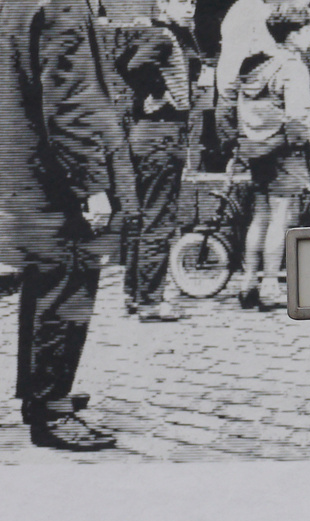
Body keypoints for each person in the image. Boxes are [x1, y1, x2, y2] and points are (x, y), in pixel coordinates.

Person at [0, 0, 131, 450]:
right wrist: (92, 184)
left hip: (27, 167)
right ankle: (51, 410)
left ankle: (40, 396)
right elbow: (70, 104)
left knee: (45, 284)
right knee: (69, 288)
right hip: (57, 175)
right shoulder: (62, 5)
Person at [225, 0, 310, 309]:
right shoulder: (292, 67)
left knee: (259, 215)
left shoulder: (256, 65)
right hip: (285, 151)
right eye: (308, 31)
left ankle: (248, 281)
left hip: (257, 149)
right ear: (294, 34)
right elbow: (298, 118)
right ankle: (269, 287)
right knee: (281, 217)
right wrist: (302, 141)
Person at [115, 0, 201, 322]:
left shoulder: (158, 32)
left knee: (143, 218)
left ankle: (133, 294)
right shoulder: (163, 37)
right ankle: (150, 301)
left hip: (147, 135)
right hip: (163, 135)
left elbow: (121, 61)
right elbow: (132, 67)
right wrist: (159, 93)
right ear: (162, 4)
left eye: (193, 2)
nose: (190, 7)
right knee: (159, 219)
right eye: (181, 1)